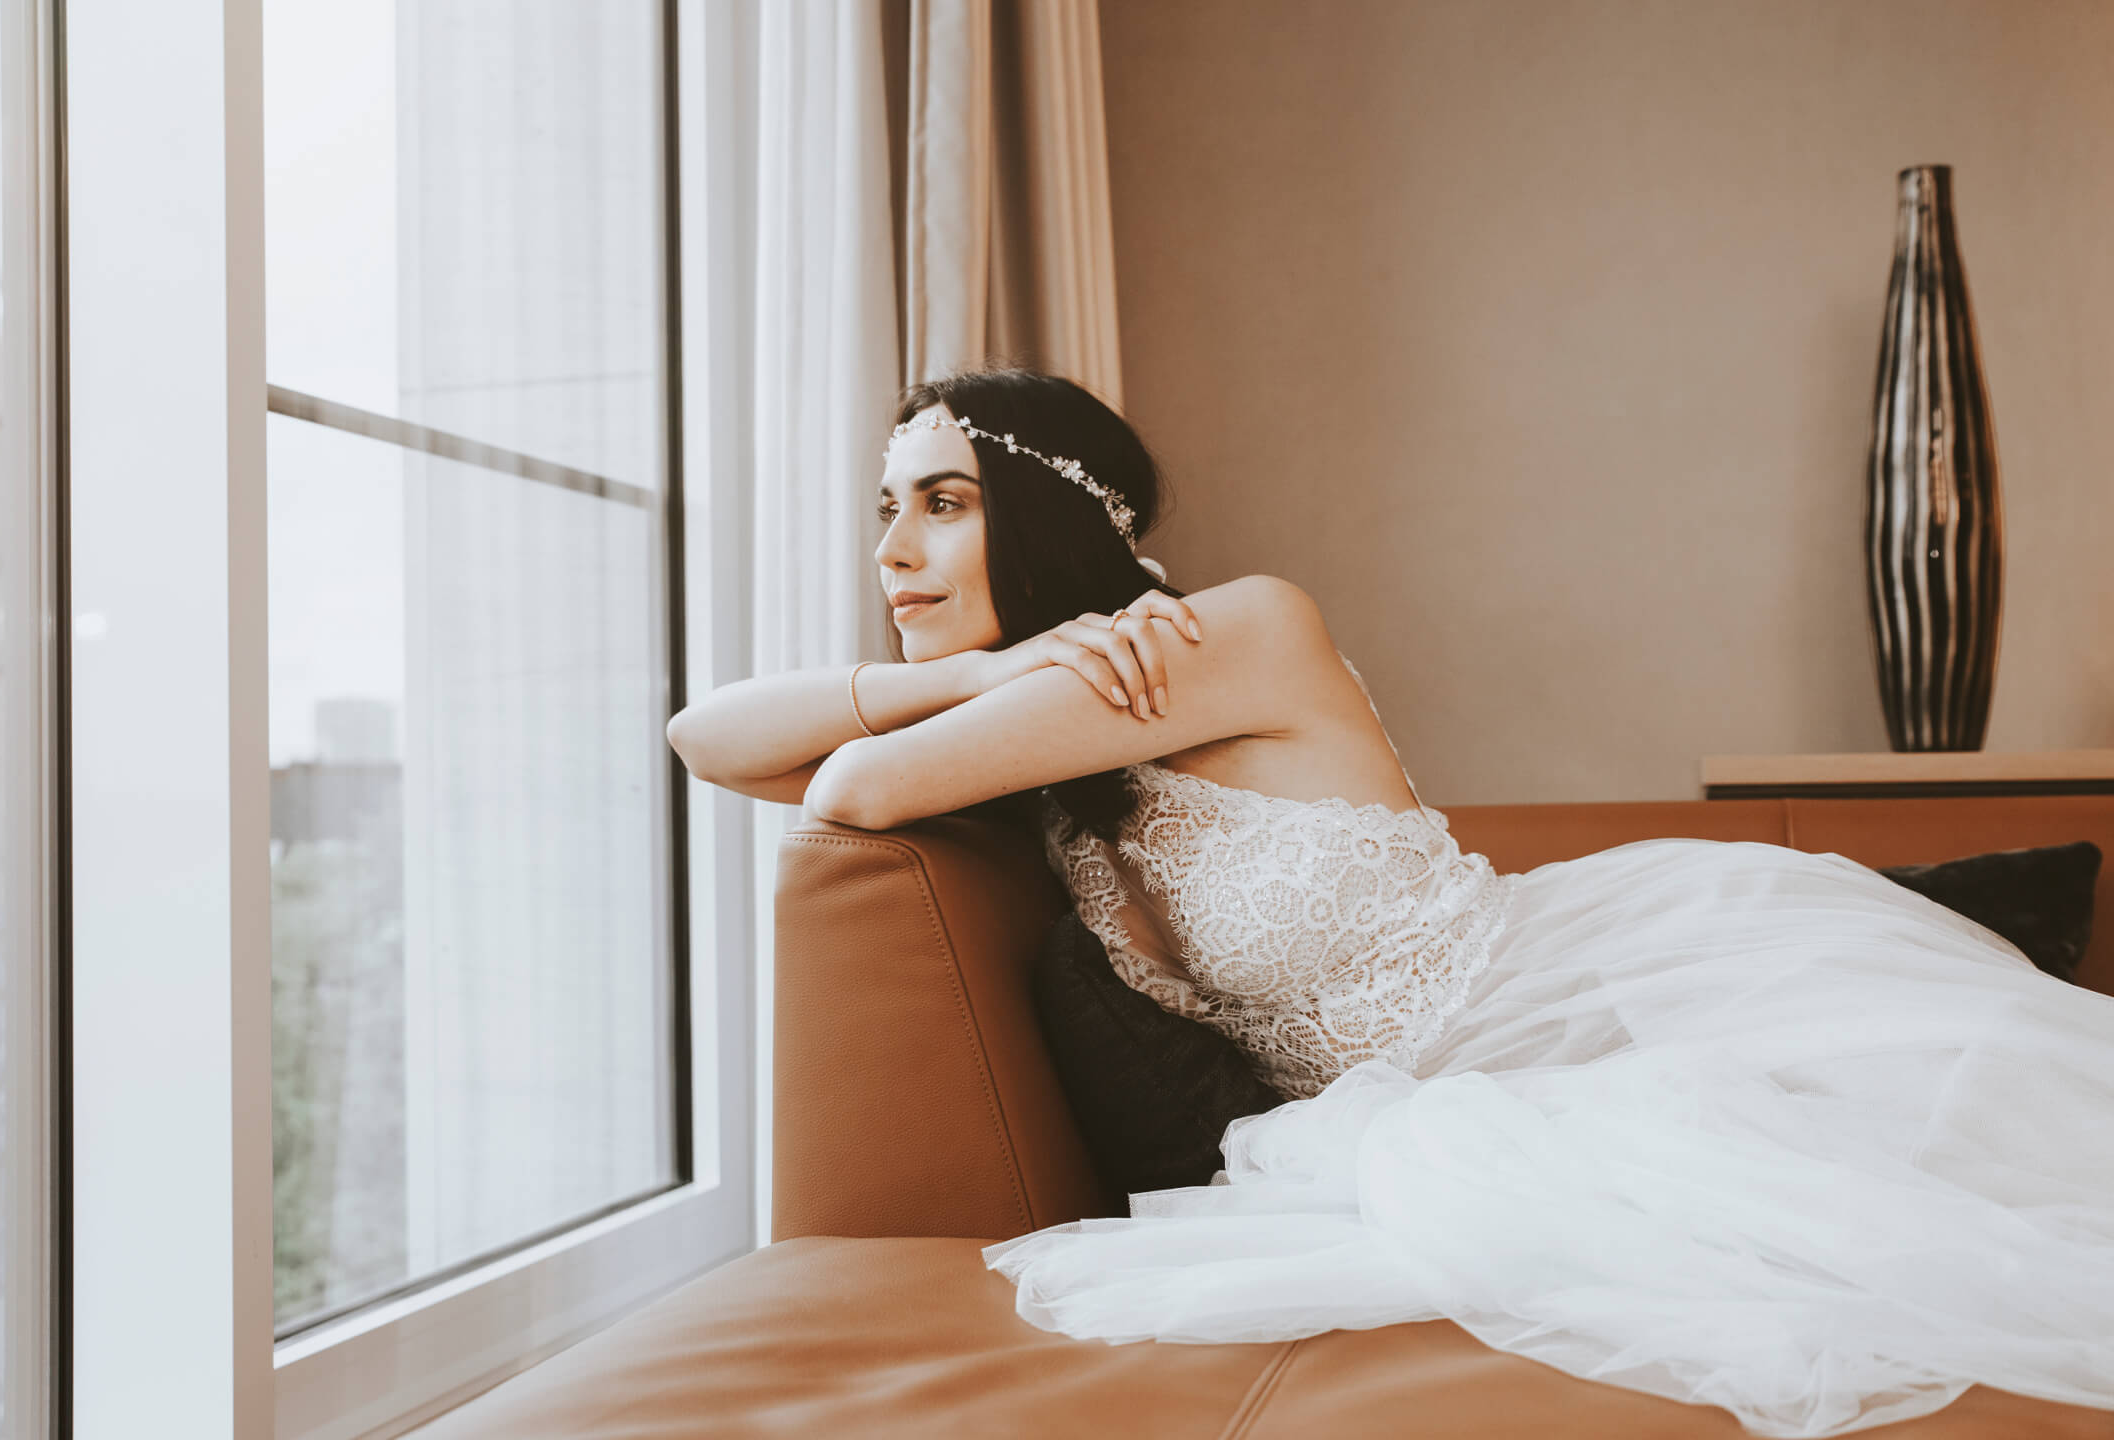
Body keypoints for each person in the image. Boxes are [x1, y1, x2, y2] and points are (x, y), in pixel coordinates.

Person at [664, 365, 2114, 1439]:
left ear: (1045, 518)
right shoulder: (1037, 731)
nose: (893, 552)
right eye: (884, 511)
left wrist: (978, 687)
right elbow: (699, 735)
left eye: (945, 503)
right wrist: (970, 673)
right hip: (1419, 1117)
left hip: (1588, 1021)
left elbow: (846, 788)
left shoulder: (1229, 631)